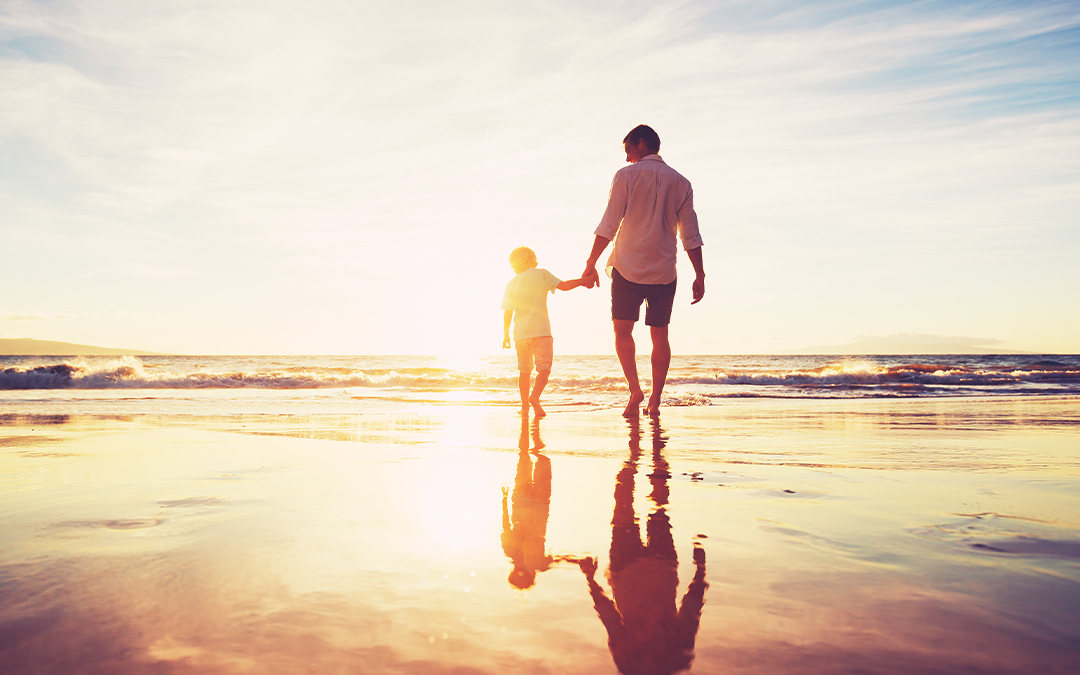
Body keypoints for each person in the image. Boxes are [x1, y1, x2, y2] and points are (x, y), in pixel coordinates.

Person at [582, 124, 705, 417]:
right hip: (664, 270)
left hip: (627, 267)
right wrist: (700, 274)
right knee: (659, 336)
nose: (626, 158)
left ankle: (635, 389)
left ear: (640, 143)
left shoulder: (626, 176)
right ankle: (655, 400)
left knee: (622, 331)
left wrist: (591, 262)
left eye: (628, 150)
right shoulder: (682, 182)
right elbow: (690, 234)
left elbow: (609, 223)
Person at [502, 246, 587, 417]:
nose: (514, 270)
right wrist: (583, 281)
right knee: (544, 369)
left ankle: (525, 407)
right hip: (540, 332)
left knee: (524, 372)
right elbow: (563, 286)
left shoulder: (511, 284)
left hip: (520, 334)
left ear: (521, 262)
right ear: (531, 259)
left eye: (514, 266)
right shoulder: (541, 274)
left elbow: (508, 311)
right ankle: (535, 397)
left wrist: (505, 335)